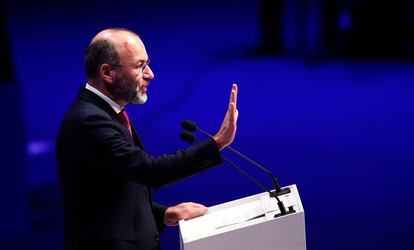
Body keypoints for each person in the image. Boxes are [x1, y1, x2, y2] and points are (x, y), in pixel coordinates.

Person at [56, 27, 238, 250]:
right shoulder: (89, 122)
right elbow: (148, 171)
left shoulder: (106, 112)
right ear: (107, 73)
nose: (150, 74)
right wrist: (216, 143)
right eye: (140, 66)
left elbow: (110, 191)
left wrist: (162, 214)